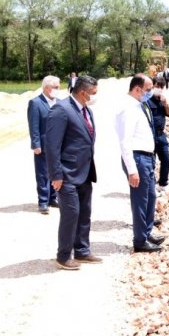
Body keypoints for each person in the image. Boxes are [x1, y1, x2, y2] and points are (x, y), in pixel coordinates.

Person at [45, 75, 102, 270]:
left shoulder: (87, 111)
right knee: (71, 214)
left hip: (85, 172)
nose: (96, 96)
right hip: (67, 174)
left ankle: (82, 250)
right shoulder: (61, 110)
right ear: (83, 92)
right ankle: (63, 256)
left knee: (84, 213)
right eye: (94, 93)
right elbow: (52, 146)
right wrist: (56, 175)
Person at [116, 74, 164, 253]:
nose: (150, 93)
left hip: (147, 157)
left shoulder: (138, 105)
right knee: (140, 200)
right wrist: (132, 170)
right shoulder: (127, 108)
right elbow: (125, 141)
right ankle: (139, 240)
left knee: (150, 197)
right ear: (137, 89)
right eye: (148, 89)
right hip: (137, 159)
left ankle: (146, 231)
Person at [27, 75, 61, 214]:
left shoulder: (59, 102)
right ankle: (43, 201)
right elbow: (33, 125)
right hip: (43, 144)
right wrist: (35, 144)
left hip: (58, 144)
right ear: (47, 88)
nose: (59, 89)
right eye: (56, 87)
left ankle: (53, 198)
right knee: (43, 173)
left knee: (56, 171)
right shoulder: (35, 103)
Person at [147, 75, 169, 188]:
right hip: (150, 136)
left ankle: (163, 183)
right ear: (152, 86)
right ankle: (150, 185)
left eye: (161, 87)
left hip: (161, 135)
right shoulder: (147, 101)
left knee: (166, 160)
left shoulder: (162, 100)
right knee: (151, 162)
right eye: (157, 86)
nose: (159, 89)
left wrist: (166, 103)